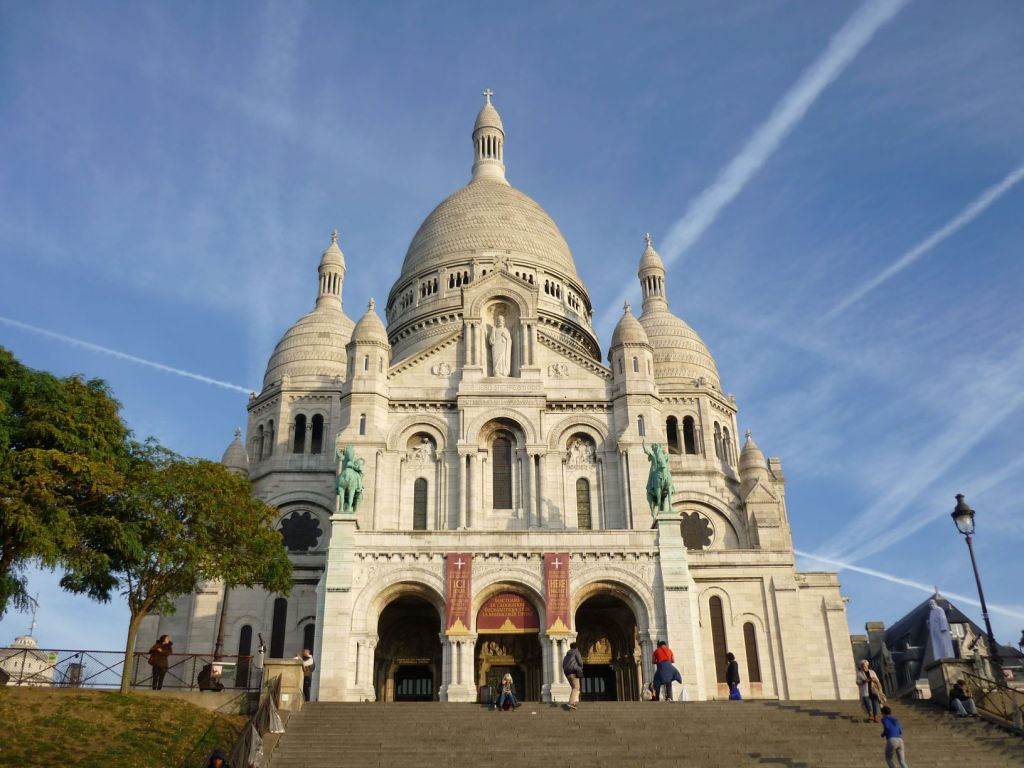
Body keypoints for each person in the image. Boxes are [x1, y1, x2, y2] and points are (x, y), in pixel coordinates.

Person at [562, 642, 584, 710]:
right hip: (574, 672)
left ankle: (573, 703)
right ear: (576, 647)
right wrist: (580, 667)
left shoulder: (566, 656)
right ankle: (570, 702)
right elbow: (580, 662)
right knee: (576, 688)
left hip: (567, 673)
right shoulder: (576, 652)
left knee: (573, 688)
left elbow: (563, 665)